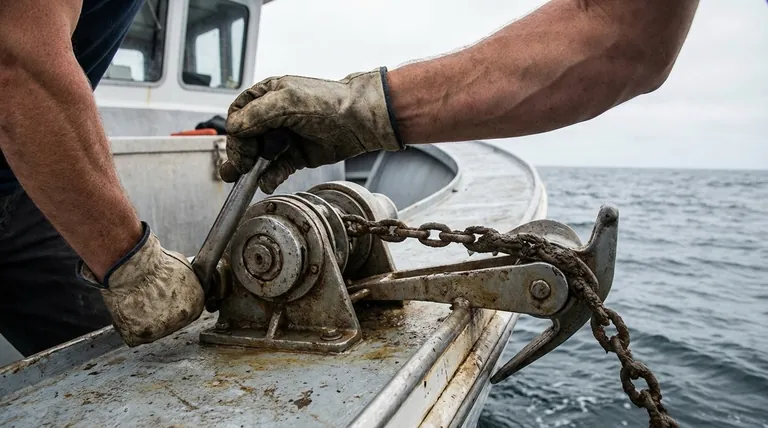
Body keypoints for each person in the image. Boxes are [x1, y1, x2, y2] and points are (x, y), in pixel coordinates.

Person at [0, 0, 699, 357]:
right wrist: (128, 264)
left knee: (110, 360)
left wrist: (364, 110)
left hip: (13, 185)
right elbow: (15, 56)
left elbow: (620, 34)